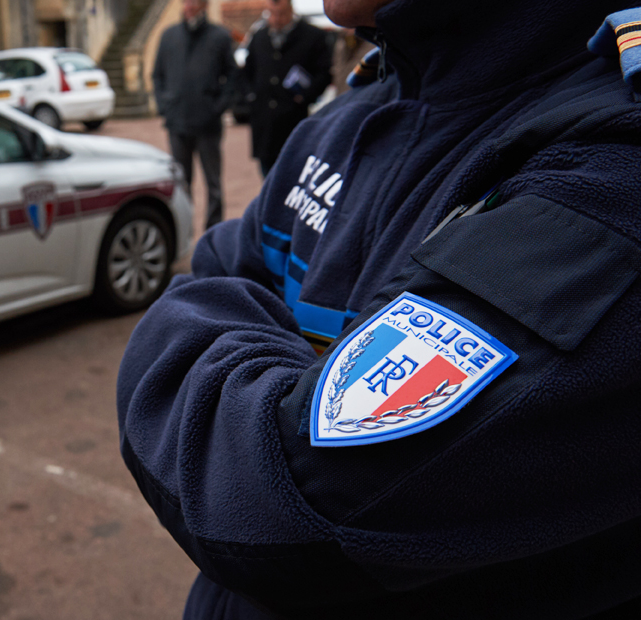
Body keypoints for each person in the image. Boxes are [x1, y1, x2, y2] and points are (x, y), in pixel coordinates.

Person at [119, 0, 641, 617]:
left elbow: (281, 498)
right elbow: (211, 273)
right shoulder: (346, 119)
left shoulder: (612, 158)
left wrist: (210, 352)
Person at [153, 0, 237, 230]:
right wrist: (165, 106)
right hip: (177, 123)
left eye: (193, 2)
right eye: (185, 1)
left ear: (204, 5)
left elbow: (232, 76)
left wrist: (217, 108)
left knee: (213, 184)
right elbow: (157, 75)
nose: (188, 6)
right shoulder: (169, 36)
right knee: (181, 183)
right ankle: (184, 228)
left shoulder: (219, 36)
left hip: (208, 125)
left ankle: (214, 230)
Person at [242, 0, 332, 176]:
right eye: (272, 14)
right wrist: (251, 96)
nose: (276, 19)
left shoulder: (312, 36)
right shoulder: (259, 37)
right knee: (267, 176)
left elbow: (324, 73)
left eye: (281, 14)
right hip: (264, 123)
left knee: (294, 173)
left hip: (293, 119)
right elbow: (247, 72)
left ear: (291, 10)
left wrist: (305, 96)